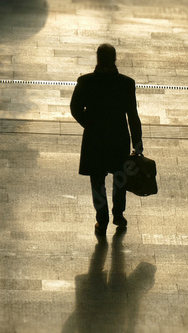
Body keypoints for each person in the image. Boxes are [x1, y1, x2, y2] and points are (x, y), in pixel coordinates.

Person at [71, 44, 143, 236]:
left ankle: (101, 219)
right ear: (115, 59)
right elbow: (132, 116)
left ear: (98, 59)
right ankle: (118, 214)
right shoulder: (126, 84)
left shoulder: (86, 82)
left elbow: (75, 108)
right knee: (120, 177)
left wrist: (89, 123)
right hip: (118, 136)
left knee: (97, 179)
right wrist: (137, 142)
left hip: (95, 138)